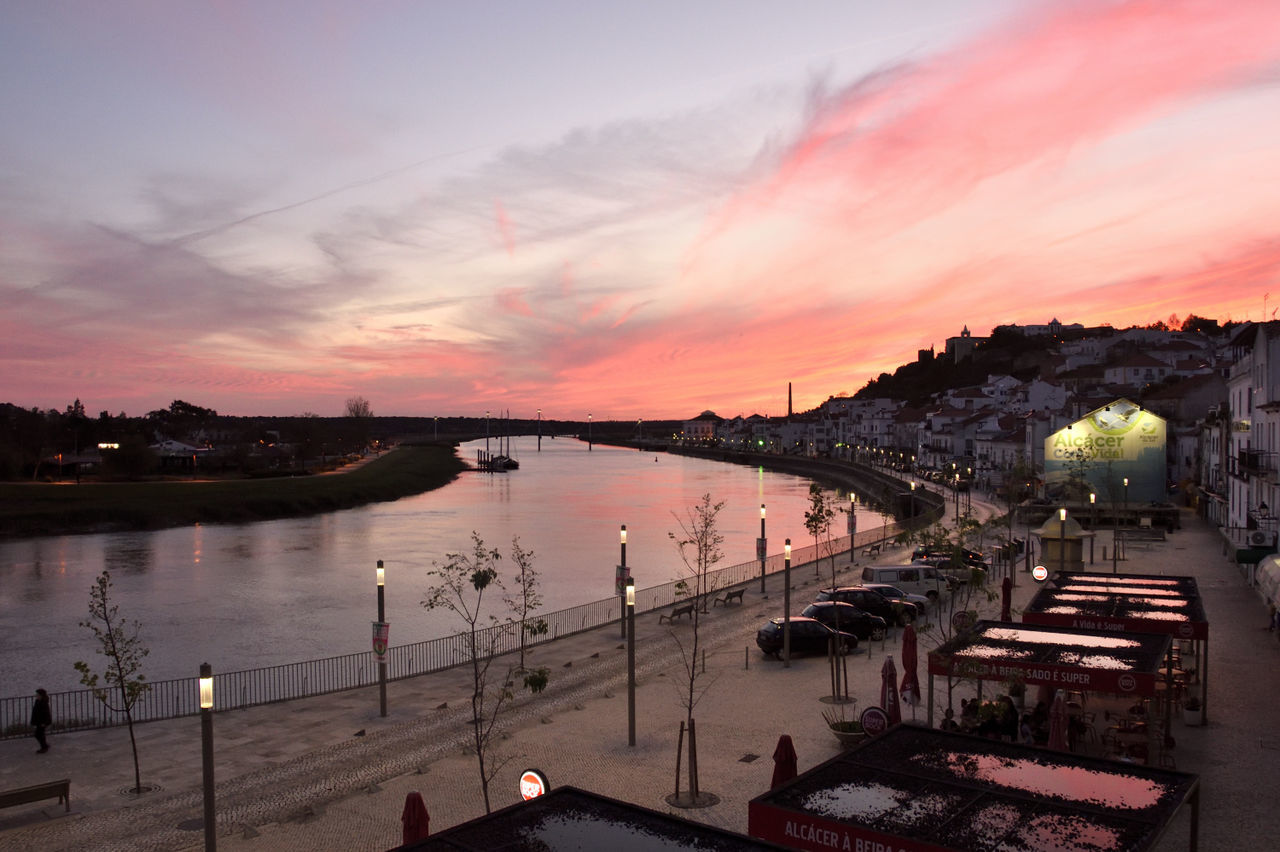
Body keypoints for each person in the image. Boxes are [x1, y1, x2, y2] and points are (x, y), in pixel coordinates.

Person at [31, 688, 51, 753]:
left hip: (42, 722)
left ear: (41, 695)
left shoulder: (44, 703)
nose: (36, 695)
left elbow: (46, 713)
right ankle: (45, 746)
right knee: (40, 734)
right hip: (38, 721)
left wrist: (44, 723)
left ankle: (44, 747)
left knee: (38, 734)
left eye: (37, 694)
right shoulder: (38, 701)